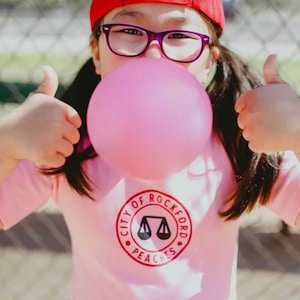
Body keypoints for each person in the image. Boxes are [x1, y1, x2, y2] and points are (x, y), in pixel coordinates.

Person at [1, 1, 300, 299]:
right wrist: (8, 142)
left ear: (209, 60)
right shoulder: (65, 144)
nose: (154, 53)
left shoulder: (239, 141)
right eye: (130, 30)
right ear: (97, 52)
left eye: (179, 36)